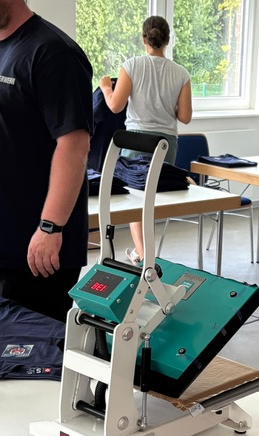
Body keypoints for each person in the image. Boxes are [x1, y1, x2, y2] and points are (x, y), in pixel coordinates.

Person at [0, 0, 93, 322]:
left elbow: (74, 146)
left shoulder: (53, 52)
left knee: (32, 359)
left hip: (34, 250)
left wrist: (50, 227)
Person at [98, 15, 192, 265]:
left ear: (144, 39)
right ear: (167, 40)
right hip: (166, 143)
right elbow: (185, 117)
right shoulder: (181, 73)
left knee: (135, 199)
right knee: (152, 199)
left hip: (136, 142)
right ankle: (144, 252)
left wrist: (106, 87)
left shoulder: (131, 65)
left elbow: (116, 106)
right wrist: (163, 103)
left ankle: (143, 254)